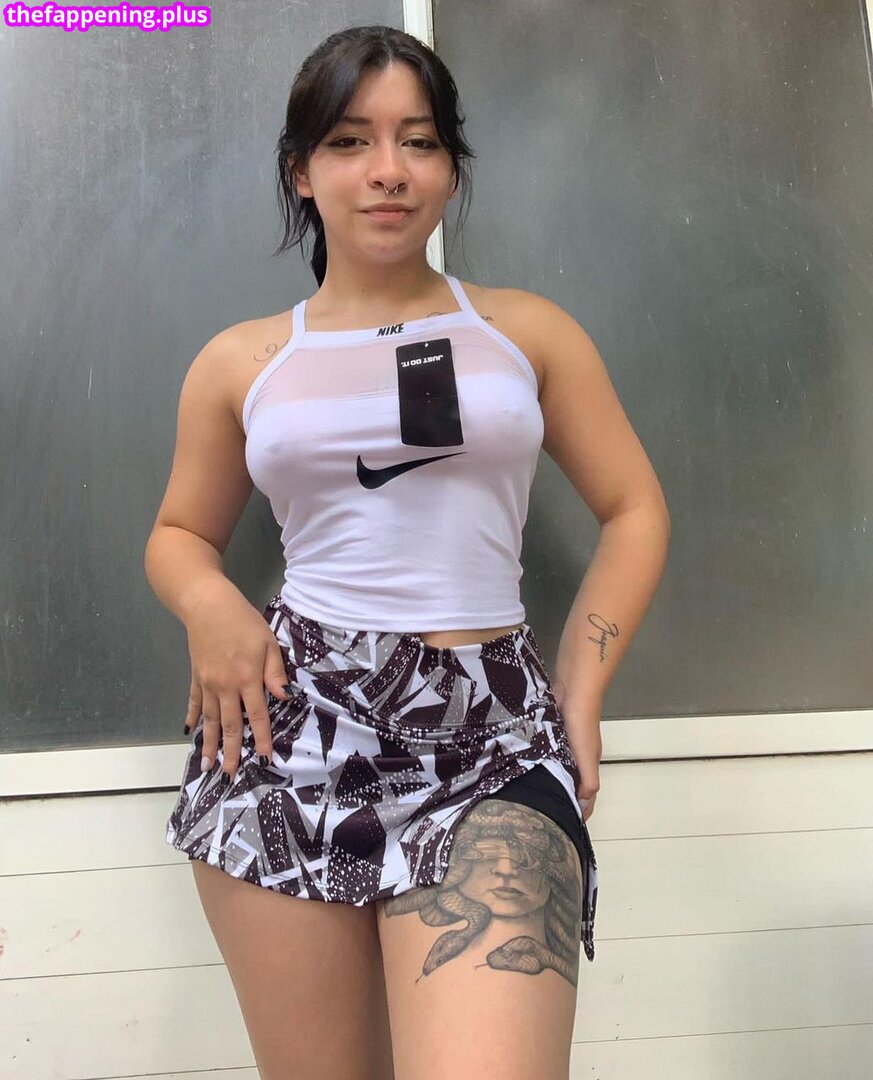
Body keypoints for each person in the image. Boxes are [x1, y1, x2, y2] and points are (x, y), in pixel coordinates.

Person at [145, 24, 670, 1080]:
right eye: (349, 141)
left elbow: (634, 509)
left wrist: (580, 691)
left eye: (418, 141)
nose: (387, 170)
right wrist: (211, 604)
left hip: (493, 742)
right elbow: (179, 534)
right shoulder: (242, 360)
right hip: (291, 735)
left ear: (449, 169)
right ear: (301, 171)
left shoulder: (527, 332)